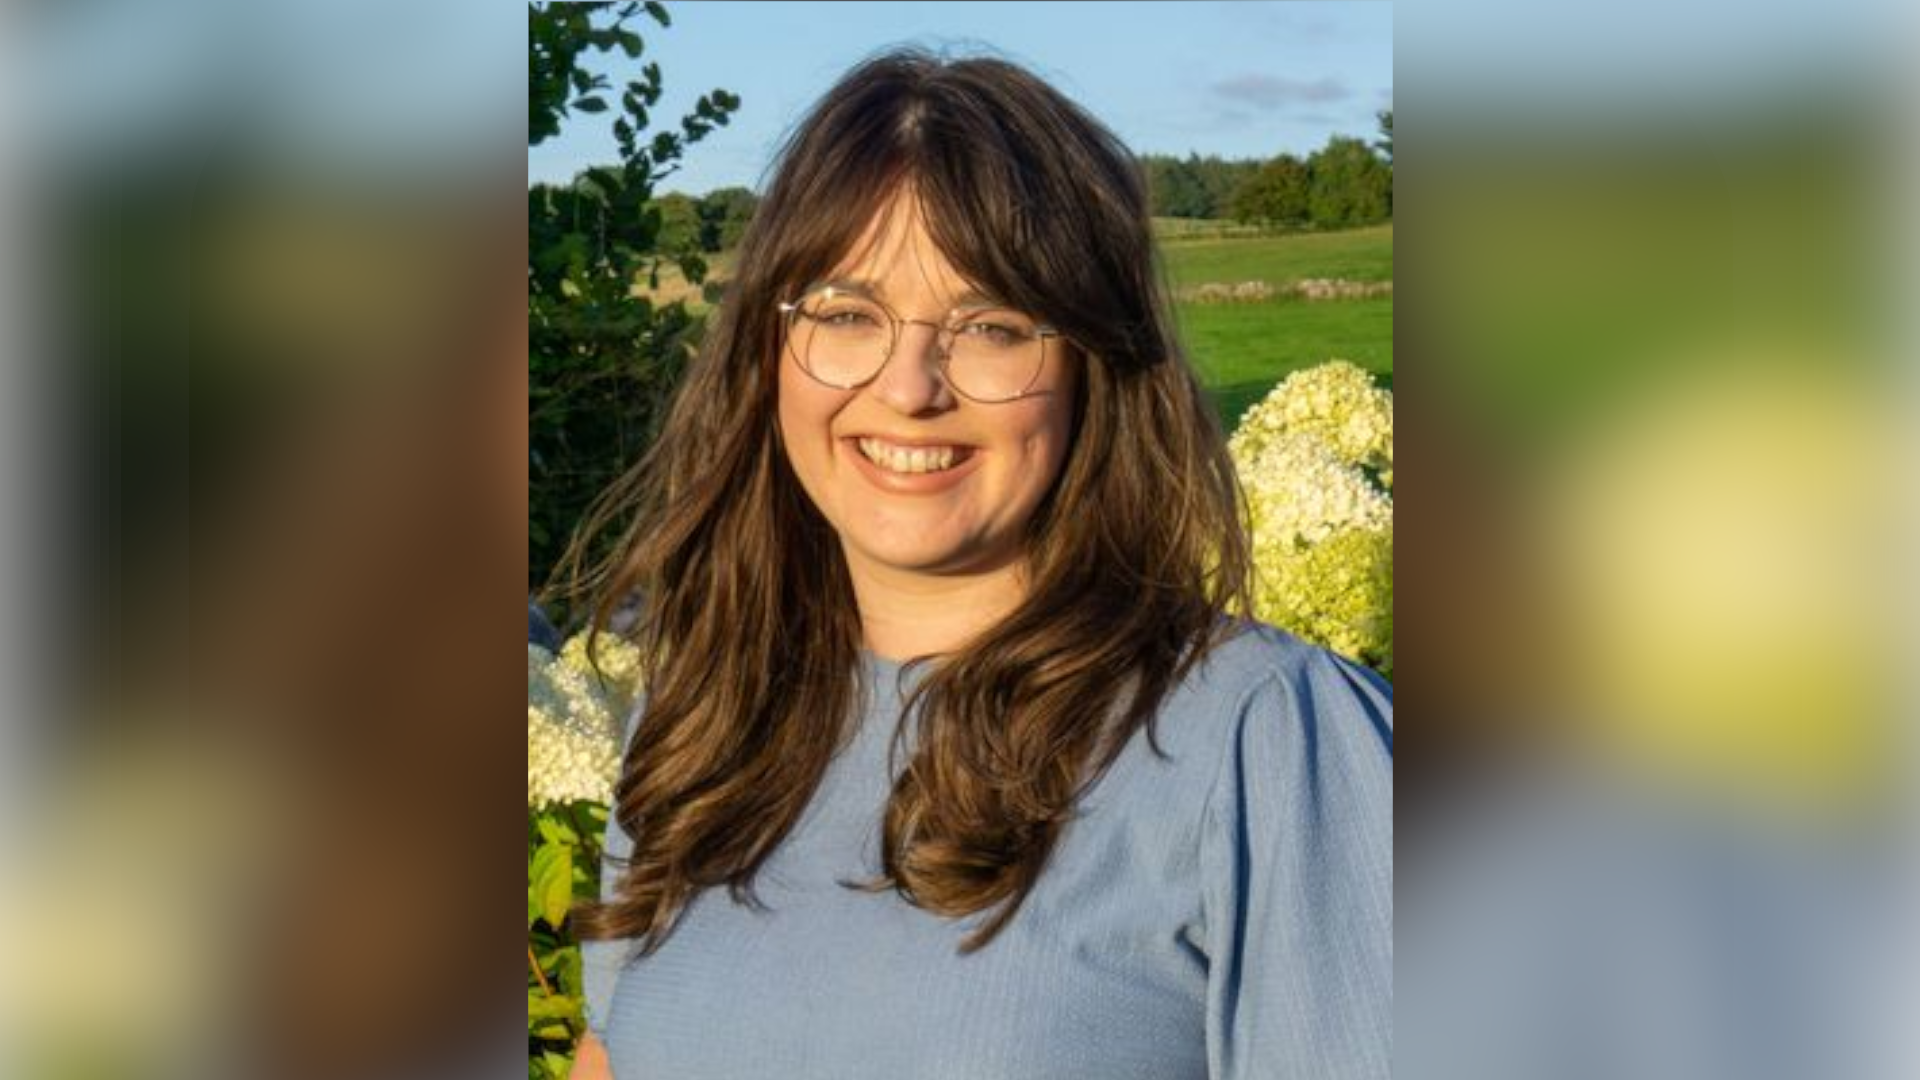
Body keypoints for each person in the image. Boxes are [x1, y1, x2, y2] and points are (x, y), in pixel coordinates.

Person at [560, 48, 1392, 1080]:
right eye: (847, 313)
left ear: (1096, 367)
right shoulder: (708, 712)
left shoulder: (1261, 738)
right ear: (768, 350)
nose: (908, 386)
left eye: (991, 326)